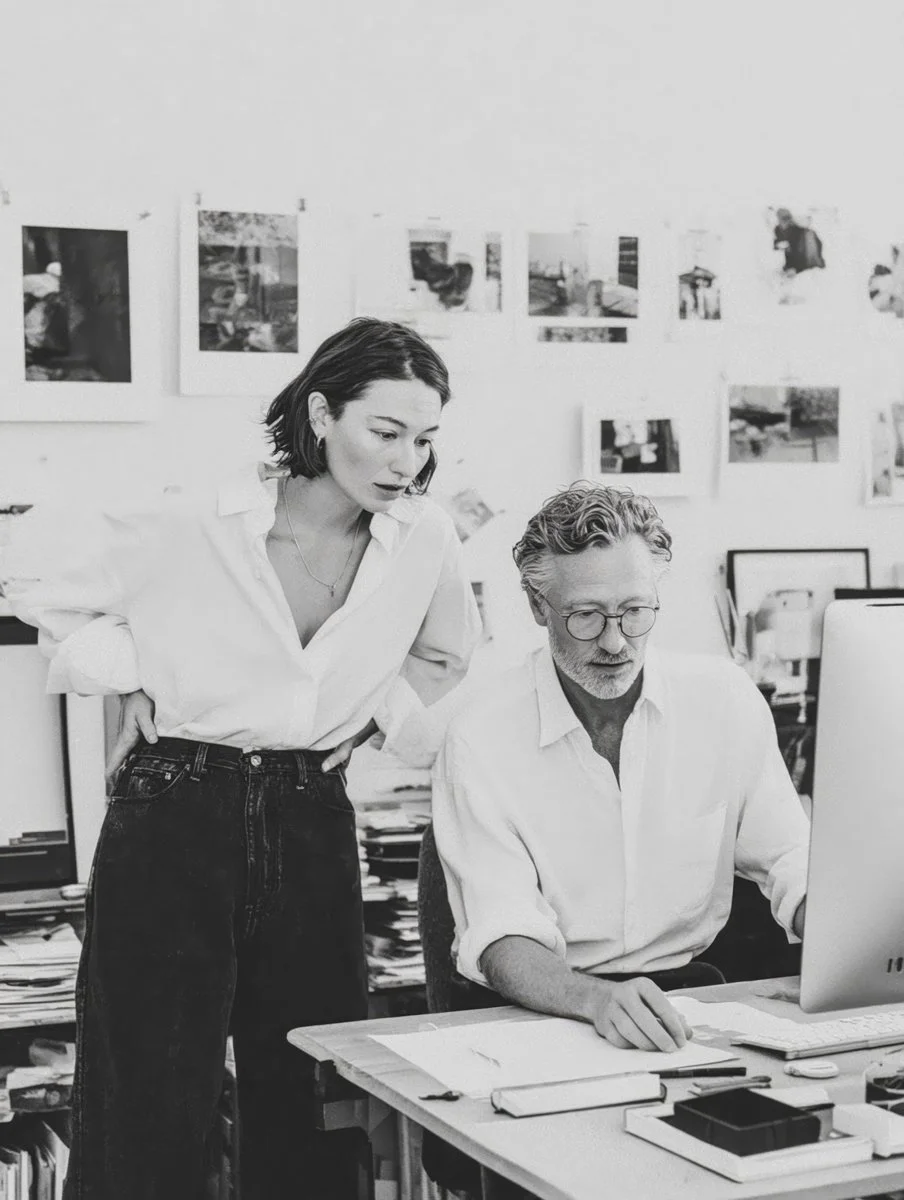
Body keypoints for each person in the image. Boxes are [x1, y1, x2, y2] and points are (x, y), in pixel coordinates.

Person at [1, 317, 482, 1200]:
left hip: (311, 809)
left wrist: (373, 722)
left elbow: (448, 655)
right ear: (321, 411)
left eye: (424, 439)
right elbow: (25, 578)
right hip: (177, 802)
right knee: (148, 1094)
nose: (407, 461)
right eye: (386, 432)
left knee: (312, 1088)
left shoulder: (426, 539)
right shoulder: (195, 522)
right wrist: (129, 671)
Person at [432, 483, 808, 1054]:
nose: (615, 642)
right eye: (585, 616)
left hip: (687, 998)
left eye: (634, 611)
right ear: (539, 607)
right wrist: (595, 999)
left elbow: (789, 857)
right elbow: (501, 934)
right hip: (546, 1005)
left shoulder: (724, 701)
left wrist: (843, 932)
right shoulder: (479, 735)